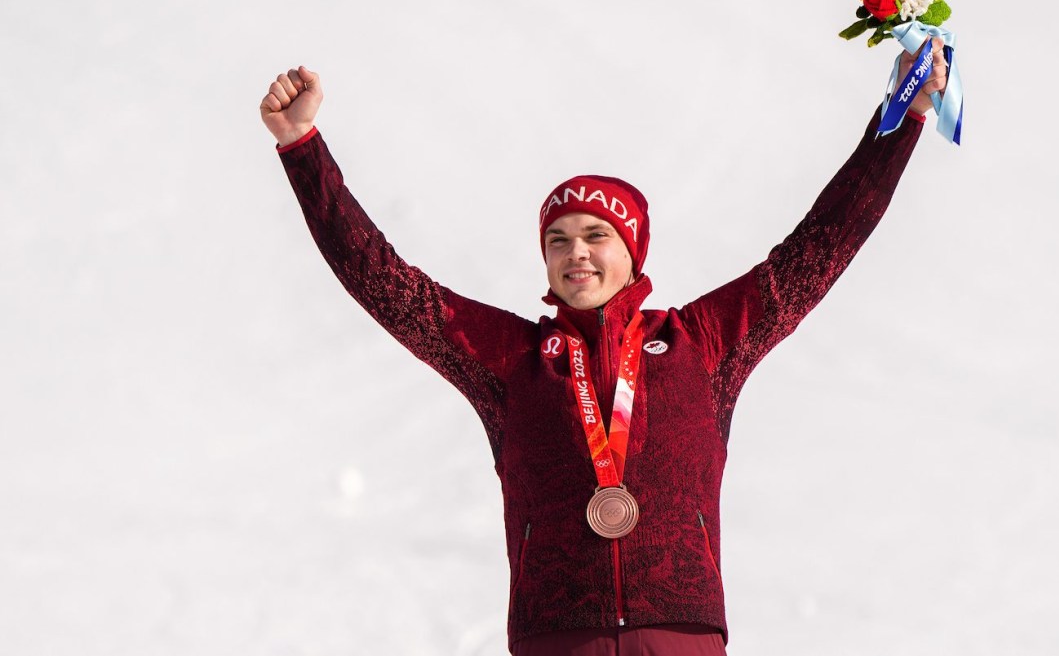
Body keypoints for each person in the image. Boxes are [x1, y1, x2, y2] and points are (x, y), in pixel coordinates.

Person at [261, 43, 947, 656]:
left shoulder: (701, 343)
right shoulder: (511, 360)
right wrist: (302, 148)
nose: (575, 253)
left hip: (680, 634)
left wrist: (901, 122)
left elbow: (819, 247)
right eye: (558, 240)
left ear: (632, 248)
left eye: (596, 235)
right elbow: (388, 285)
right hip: (558, 637)